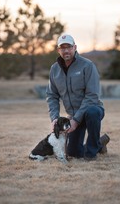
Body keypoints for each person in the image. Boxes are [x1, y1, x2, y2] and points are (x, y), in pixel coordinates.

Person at [46, 33, 110, 161]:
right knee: (73, 152)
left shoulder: (87, 65)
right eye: (62, 48)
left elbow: (92, 96)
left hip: (92, 110)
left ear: (75, 47)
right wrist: (54, 118)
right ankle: (100, 144)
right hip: (73, 116)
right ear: (58, 50)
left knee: (92, 112)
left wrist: (75, 120)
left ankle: (91, 153)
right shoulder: (54, 69)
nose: (66, 50)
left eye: (68, 47)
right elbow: (52, 96)